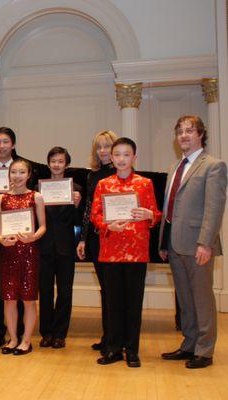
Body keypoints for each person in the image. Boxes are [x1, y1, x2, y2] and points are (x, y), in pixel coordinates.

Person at [159, 115, 227, 369]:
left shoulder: (214, 165)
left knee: (202, 299)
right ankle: (188, 344)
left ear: (201, 134)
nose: (184, 135)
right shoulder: (176, 167)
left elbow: (214, 208)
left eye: (190, 131)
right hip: (175, 244)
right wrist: (163, 242)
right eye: (180, 132)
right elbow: (170, 207)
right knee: (185, 299)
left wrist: (206, 243)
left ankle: (205, 350)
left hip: (198, 244)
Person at [0, 127, 49, 348]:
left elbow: (41, 220)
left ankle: (22, 336)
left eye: (6, 141)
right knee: (1, 289)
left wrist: (31, 237)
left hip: (25, 245)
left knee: (25, 293)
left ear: (13, 144)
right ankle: (1, 332)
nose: (1, 145)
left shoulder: (28, 178)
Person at [90, 137, 161, 367]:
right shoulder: (103, 184)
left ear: (134, 158)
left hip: (136, 251)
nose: (121, 159)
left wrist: (149, 215)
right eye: (117, 154)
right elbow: (95, 215)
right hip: (110, 251)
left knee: (133, 302)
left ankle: (132, 350)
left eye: (126, 154)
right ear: (111, 158)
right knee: (113, 302)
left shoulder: (145, 183)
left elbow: (156, 214)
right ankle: (113, 349)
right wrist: (106, 225)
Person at [0, 159, 46, 355]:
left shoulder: (36, 197)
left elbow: (43, 226)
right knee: (9, 299)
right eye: (14, 172)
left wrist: (33, 236)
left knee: (29, 299)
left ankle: (26, 340)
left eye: (21, 172)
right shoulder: (1, 199)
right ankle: (13, 338)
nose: (17, 176)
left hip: (29, 252)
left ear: (29, 174)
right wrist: (1, 239)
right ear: (9, 174)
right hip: (8, 252)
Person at [76, 130, 118, 352]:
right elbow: (88, 209)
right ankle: (107, 336)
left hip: (115, 238)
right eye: (99, 147)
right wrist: (82, 238)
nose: (102, 151)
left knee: (114, 289)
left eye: (107, 146)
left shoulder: (120, 174)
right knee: (105, 288)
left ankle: (115, 338)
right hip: (95, 238)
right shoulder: (92, 175)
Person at [38, 146, 82, 349]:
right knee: (45, 292)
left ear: (66, 164)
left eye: (60, 161)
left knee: (65, 292)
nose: (56, 164)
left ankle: (60, 333)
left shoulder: (76, 190)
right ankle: (46, 332)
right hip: (43, 246)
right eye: (53, 161)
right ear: (48, 164)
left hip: (66, 246)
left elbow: (77, 221)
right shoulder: (38, 190)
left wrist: (76, 205)